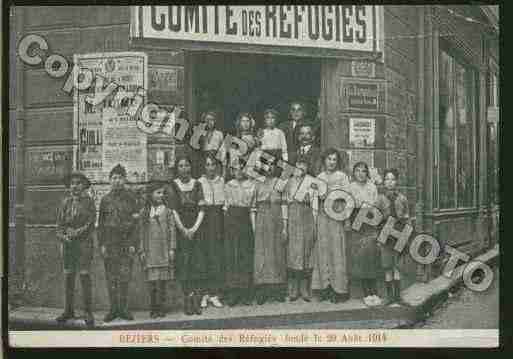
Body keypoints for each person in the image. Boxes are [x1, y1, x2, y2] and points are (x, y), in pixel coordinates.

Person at [98, 164, 140, 322]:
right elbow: (101, 224)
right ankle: (113, 309)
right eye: (114, 177)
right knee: (111, 277)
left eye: (120, 177)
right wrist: (102, 244)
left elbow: (136, 223)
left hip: (126, 243)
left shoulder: (131, 198)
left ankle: (123, 308)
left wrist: (132, 244)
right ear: (110, 180)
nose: (117, 181)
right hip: (110, 244)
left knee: (124, 276)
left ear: (124, 179)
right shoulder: (105, 200)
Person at [55, 171, 96, 327]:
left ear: (84, 186)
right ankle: (68, 310)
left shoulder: (89, 202)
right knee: (68, 276)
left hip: (84, 244)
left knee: (85, 275)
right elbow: (59, 224)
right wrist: (63, 236)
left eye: (78, 183)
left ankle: (88, 312)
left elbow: (90, 223)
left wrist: (76, 233)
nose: (75, 186)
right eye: (72, 183)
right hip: (67, 245)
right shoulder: (65, 202)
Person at [167, 156, 206, 315]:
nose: (184, 168)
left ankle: (196, 301)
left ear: (191, 167)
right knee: (184, 264)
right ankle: (187, 301)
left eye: (186, 165)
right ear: (177, 168)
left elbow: (202, 209)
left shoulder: (198, 184)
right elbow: (173, 210)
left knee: (197, 264)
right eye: (181, 165)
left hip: (196, 228)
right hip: (180, 228)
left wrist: (194, 228)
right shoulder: (173, 186)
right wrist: (183, 229)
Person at [311, 148, 351, 303]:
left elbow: (348, 199)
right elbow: (314, 199)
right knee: (323, 251)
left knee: (337, 251)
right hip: (322, 217)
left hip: (337, 216)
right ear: (324, 160)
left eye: (334, 159)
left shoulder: (342, 177)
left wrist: (346, 219)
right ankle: (324, 287)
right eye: (329, 159)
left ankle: (339, 289)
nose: (332, 162)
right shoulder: (319, 177)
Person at [138, 181, 176, 318]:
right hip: (151, 251)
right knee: (153, 281)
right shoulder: (145, 212)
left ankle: (162, 307)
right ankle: (153, 307)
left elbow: (172, 230)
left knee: (163, 282)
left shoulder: (168, 211)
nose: (161, 195)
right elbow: (141, 232)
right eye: (158, 192)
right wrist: (142, 250)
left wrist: (172, 248)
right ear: (151, 195)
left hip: (164, 250)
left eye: (163, 193)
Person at [253, 157, 288, 305]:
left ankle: (277, 290)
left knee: (277, 254)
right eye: (266, 164)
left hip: (277, 219)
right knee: (262, 255)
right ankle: (262, 290)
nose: (270, 167)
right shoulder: (257, 182)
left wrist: (285, 226)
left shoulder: (280, 183)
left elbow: (285, 204)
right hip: (261, 220)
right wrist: (254, 226)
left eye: (272, 164)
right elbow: (253, 207)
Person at [223, 158, 257, 306]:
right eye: (236, 169)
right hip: (231, 219)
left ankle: (245, 293)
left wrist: (253, 227)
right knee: (232, 255)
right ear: (232, 170)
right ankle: (233, 292)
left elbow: (253, 209)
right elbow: (225, 207)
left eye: (242, 168)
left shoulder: (252, 185)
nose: (239, 171)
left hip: (245, 219)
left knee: (245, 254)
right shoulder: (228, 185)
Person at [375, 168, 411, 306]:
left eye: (393, 179)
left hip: (399, 233)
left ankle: (398, 296)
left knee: (397, 266)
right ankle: (389, 297)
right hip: (385, 234)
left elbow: (407, 217)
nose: (390, 182)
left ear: (397, 181)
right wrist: (378, 236)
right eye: (387, 179)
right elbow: (375, 218)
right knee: (387, 265)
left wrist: (406, 235)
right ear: (384, 182)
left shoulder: (402, 198)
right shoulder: (380, 199)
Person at [348, 162, 381, 307]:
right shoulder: (350, 187)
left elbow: (375, 205)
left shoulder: (372, 187)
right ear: (354, 173)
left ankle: (374, 291)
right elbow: (349, 206)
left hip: (370, 220)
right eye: (357, 171)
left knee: (372, 255)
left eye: (363, 171)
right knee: (360, 256)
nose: (360, 174)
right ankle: (366, 292)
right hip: (356, 220)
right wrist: (347, 221)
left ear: (367, 173)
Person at [284, 156, 317, 302]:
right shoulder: (288, 182)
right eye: (298, 165)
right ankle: (293, 287)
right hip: (293, 217)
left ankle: (304, 288)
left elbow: (315, 203)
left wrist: (315, 223)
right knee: (293, 253)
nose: (301, 168)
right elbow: (284, 204)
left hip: (307, 217)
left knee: (306, 252)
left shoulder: (311, 182)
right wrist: (285, 225)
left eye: (304, 165)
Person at [197, 154, 225, 309]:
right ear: (204, 167)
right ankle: (204, 294)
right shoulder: (199, 182)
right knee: (204, 256)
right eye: (207, 164)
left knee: (216, 256)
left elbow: (225, 201)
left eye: (213, 164)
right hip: (204, 219)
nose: (210, 167)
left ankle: (215, 294)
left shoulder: (221, 181)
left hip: (218, 217)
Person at [224, 112, 257, 180]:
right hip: (235, 173)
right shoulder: (232, 139)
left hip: (251, 174)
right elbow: (224, 158)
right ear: (239, 123)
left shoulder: (256, 139)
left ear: (251, 123)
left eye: (247, 121)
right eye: (243, 121)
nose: (245, 123)